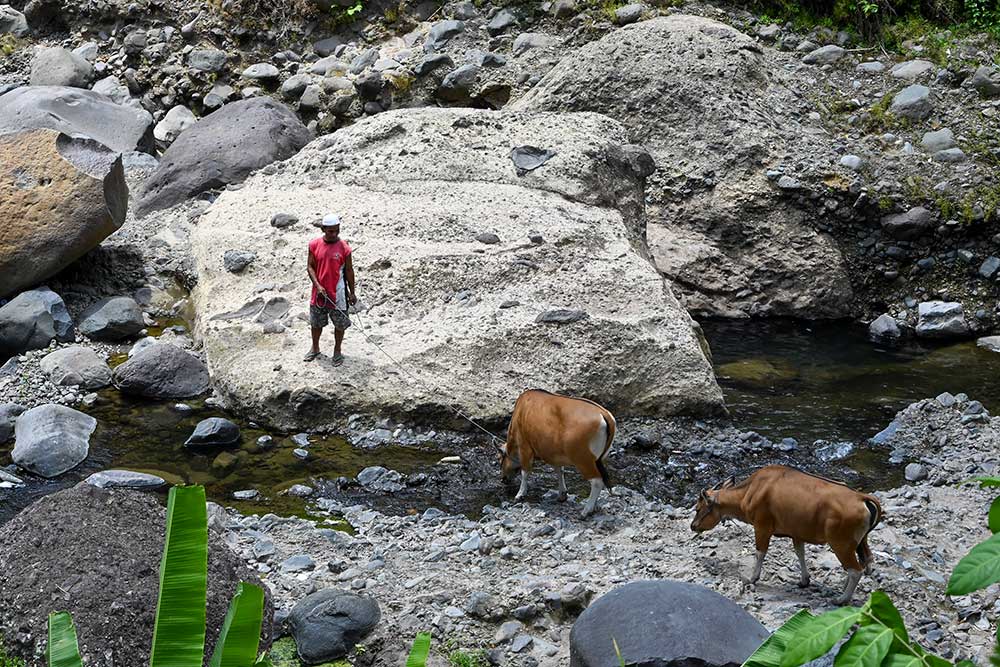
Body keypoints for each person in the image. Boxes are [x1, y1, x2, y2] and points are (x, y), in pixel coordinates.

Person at [304, 213, 356, 365]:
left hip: (338, 293)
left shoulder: (344, 248)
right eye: (330, 231)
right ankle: (315, 348)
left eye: (336, 230)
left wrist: (352, 292)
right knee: (316, 323)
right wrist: (318, 286)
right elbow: (310, 267)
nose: (334, 234)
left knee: (340, 324)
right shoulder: (314, 245)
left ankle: (337, 350)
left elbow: (349, 271)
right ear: (323, 230)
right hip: (319, 293)